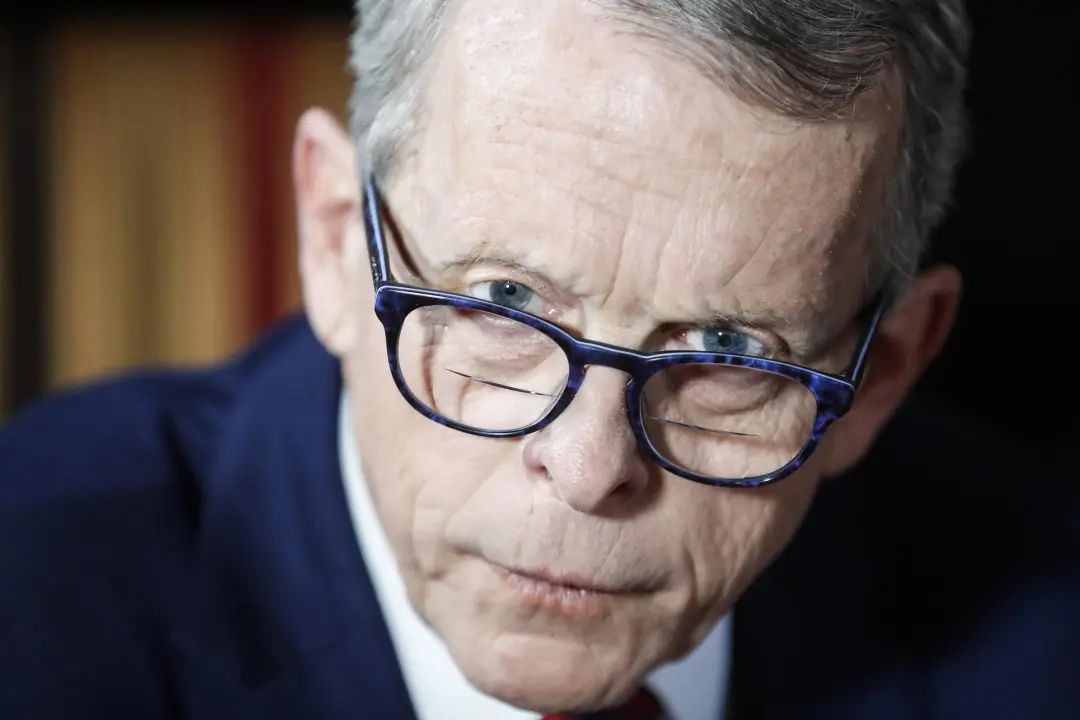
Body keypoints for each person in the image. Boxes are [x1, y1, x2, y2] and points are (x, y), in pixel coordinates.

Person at [2, 1, 1076, 718]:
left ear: (883, 374)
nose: (589, 466)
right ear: (333, 239)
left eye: (728, 349)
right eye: (504, 299)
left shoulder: (1044, 628)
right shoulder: (33, 606)